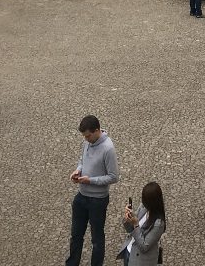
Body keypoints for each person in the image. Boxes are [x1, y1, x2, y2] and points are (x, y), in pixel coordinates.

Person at [66, 114, 119, 266]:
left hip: (98, 200)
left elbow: (114, 177)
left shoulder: (108, 149)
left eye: (88, 136)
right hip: (81, 196)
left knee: (96, 239)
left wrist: (90, 180)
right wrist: (78, 170)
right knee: (76, 234)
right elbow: (82, 160)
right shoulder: (87, 142)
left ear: (97, 131)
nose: (86, 139)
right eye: (84, 136)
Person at [120, 182, 166, 265]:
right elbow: (129, 230)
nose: (143, 202)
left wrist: (136, 225)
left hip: (141, 261)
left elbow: (144, 246)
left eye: (145, 200)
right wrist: (128, 218)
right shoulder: (143, 208)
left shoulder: (158, 223)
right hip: (129, 252)